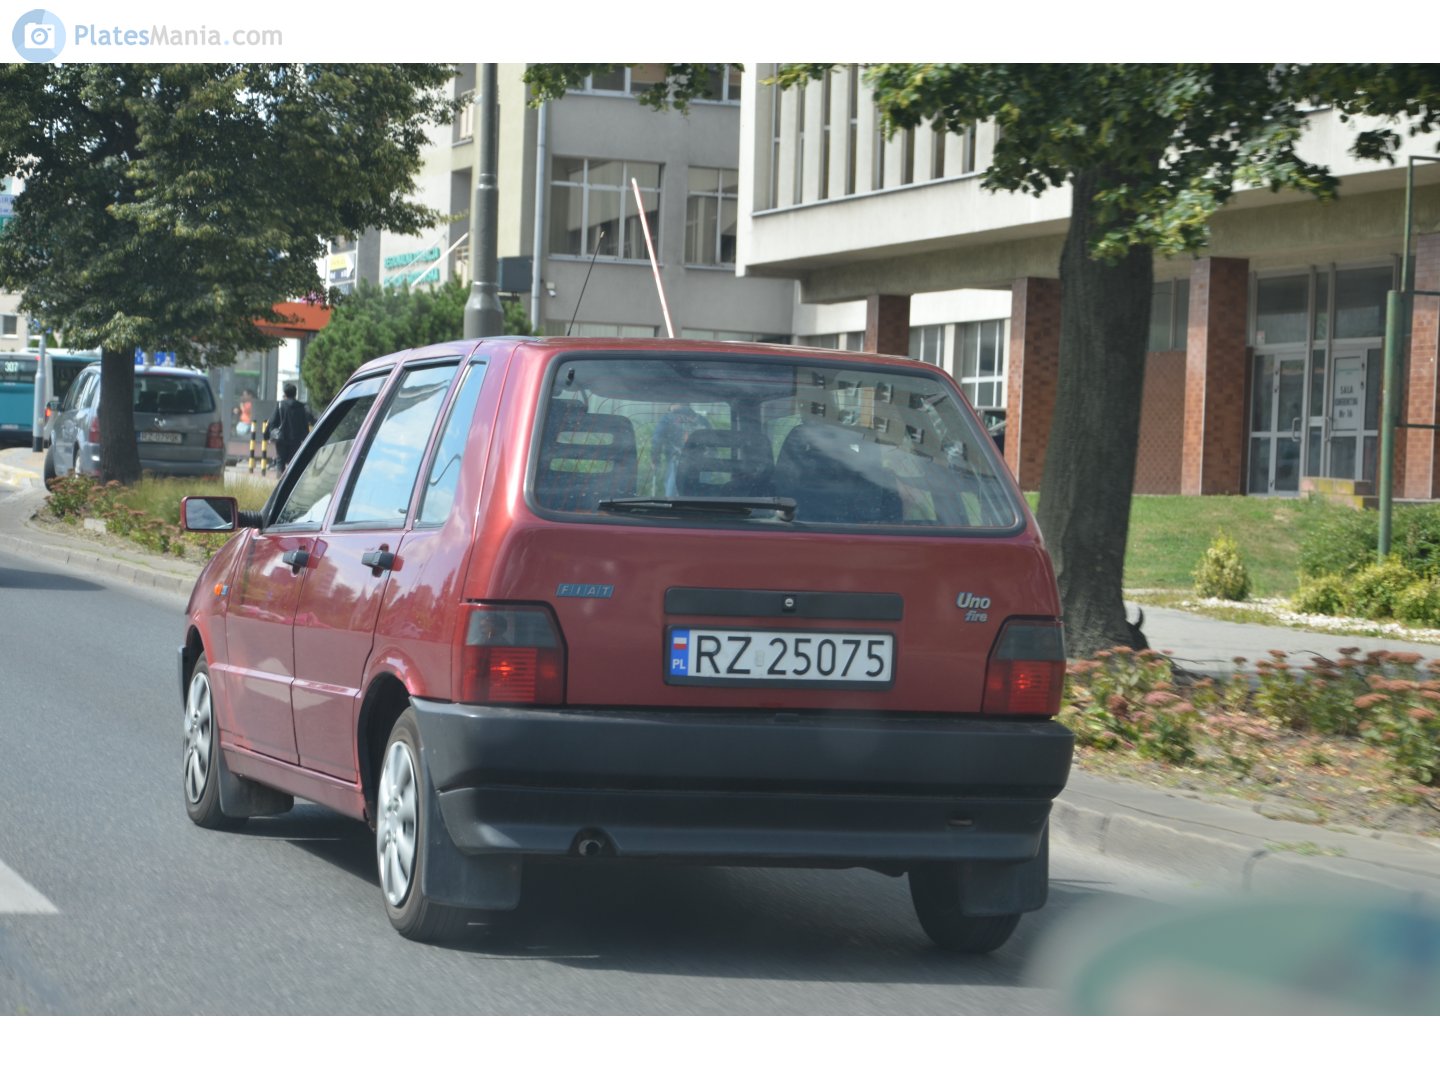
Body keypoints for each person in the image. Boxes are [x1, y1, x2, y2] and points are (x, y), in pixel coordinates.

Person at [650, 402, 709, 496]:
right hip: (702, 462)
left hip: (678, 461)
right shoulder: (702, 420)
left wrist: (655, 459)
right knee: (702, 492)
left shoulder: (667, 418)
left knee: (673, 493)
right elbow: (712, 441)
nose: (674, 415)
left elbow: (657, 439)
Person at [268, 383, 314, 474]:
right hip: (296, 439)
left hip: (281, 438)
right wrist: (305, 437)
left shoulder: (280, 405)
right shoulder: (301, 406)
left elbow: (272, 422)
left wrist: (270, 434)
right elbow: (305, 423)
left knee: (280, 460)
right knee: (293, 461)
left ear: (285, 393)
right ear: (295, 393)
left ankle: (280, 482)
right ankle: (290, 482)